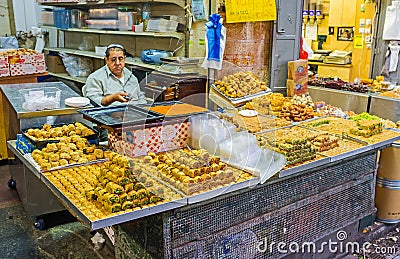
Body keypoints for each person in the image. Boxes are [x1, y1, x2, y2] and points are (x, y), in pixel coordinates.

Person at [83, 44, 147, 106]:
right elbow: (95, 101)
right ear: (106, 60)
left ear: (124, 59)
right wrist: (113, 98)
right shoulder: (95, 78)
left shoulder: (132, 77)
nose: (117, 63)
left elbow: (140, 97)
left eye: (120, 59)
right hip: (109, 114)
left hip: (134, 114)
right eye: (113, 59)